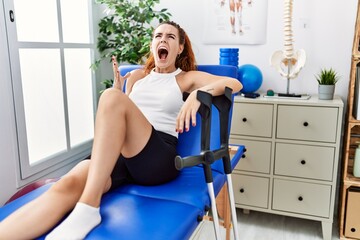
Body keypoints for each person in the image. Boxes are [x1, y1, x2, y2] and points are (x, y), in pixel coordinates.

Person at [0, 21, 242, 240]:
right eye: (158, 36)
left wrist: (199, 94)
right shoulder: (136, 77)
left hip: (157, 157)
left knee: (111, 97)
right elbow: (123, 115)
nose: (163, 40)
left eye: (170, 37)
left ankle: (88, 207)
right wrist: (119, 92)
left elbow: (234, 83)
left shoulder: (185, 78)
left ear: (179, 48)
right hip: (121, 156)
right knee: (68, 184)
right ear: (152, 44)